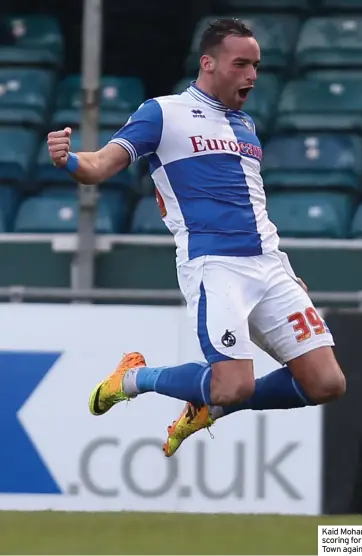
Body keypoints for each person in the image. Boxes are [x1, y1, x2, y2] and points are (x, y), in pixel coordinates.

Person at [47, 18, 346, 458]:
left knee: (326, 382)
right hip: (215, 265)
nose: (252, 76)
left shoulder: (245, 125)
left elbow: (254, 206)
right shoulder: (163, 112)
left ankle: (213, 410)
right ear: (208, 63)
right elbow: (101, 164)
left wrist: (286, 270)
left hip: (268, 264)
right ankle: (132, 378)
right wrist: (69, 160)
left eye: (256, 66)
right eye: (240, 64)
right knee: (233, 384)